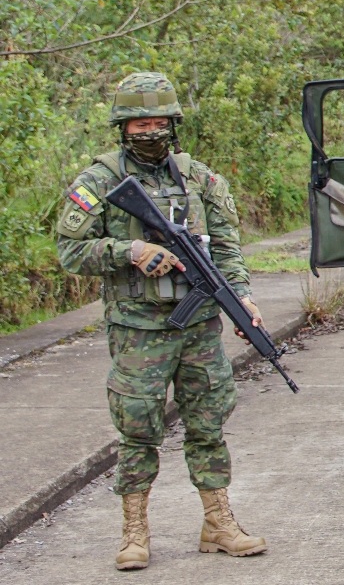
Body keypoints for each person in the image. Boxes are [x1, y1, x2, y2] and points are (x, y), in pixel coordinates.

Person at [55, 72, 267, 570]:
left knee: (208, 423)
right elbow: (69, 250)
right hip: (138, 329)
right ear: (122, 127)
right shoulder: (99, 182)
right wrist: (129, 250)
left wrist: (243, 299)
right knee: (138, 429)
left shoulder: (200, 179)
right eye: (138, 123)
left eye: (157, 122)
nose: (149, 131)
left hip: (198, 328)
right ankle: (135, 532)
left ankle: (218, 523)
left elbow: (228, 247)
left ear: (173, 124)